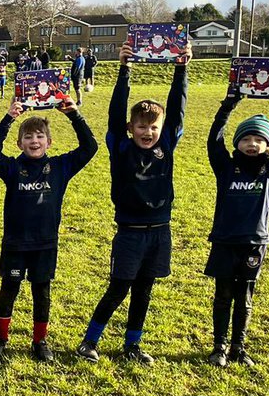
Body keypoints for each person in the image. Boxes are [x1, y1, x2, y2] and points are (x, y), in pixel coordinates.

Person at [77, 41, 190, 365]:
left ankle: (132, 345)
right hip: (129, 233)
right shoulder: (121, 147)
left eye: (153, 127)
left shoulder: (166, 143)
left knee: (144, 291)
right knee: (119, 289)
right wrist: (125, 68)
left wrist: (181, 68)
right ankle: (89, 342)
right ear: (130, 128)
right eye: (141, 126)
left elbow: (177, 109)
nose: (148, 132)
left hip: (159, 231)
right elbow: (115, 112)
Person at [0, 97, 97, 361]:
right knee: (9, 290)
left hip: (45, 243)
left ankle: (40, 342)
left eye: (39, 136)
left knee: (41, 292)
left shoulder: (60, 166)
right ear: (19, 143)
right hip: (15, 242)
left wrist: (74, 115)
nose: (34, 141)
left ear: (49, 142)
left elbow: (90, 147)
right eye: (28, 137)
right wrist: (8, 118)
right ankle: (0, 340)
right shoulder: (13, 168)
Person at [204, 90, 269, 366]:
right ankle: (219, 347)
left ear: (267, 144)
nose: (252, 144)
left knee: (244, 298)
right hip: (225, 241)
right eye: (246, 138)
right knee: (223, 296)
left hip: (254, 242)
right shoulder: (225, 167)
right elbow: (214, 139)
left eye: (259, 139)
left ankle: (238, 347)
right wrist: (228, 106)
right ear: (238, 143)